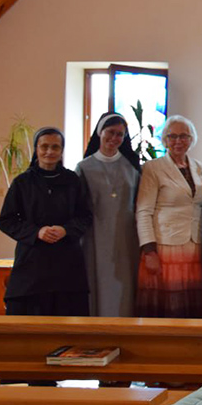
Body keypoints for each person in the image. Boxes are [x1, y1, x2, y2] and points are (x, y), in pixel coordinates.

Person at [0, 127, 92, 317]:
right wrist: (36, 232)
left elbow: (86, 216)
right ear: (36, 149)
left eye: (55, 147)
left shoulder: (73, 181)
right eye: (44, 146)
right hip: (32, 264)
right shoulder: (22, 182)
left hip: (66, 264)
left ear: (61, 151)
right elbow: (6, 220)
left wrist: (66, 230)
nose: (50, 152)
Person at [135, 115, 202, 318]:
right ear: (164, 139)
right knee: (167, 305)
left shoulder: (198, 167)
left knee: (190, 305)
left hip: (194, 245)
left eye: (184, 136)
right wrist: (149, 250)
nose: (178, 141)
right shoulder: (153, 168)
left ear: (192, 139)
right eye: (173, 136)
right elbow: (143, 211)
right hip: (164, 247)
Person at [75, 112, 141, 317]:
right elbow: (77, 207)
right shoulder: (83, 167)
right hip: (95, 237)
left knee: (125, 287)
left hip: (127, 237)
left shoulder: (132, 166)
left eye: (120, 134)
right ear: (99, 132)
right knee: (98, 284)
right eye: (110, 132)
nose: (114, 138)